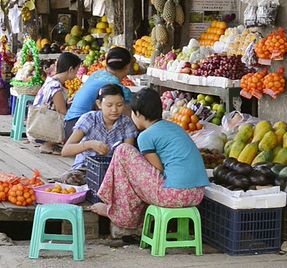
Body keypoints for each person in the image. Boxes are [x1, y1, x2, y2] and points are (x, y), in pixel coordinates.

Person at [90, 88, 210, 230]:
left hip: (173, 195)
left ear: (138, 114)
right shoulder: (175, 127)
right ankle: (121, 210)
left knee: (123, 150)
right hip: (196, 195)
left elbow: (157, 169)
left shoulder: (145, 136)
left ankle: (120, 213)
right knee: (131, 165)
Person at [59, 84, 137, 185]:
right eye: (109, 105)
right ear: (99, 104)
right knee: (70, 179)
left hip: (112, 172)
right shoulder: (89, 119)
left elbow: (128, 154)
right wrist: (89, 145)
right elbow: (66, 151)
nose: (114, 110)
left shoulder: (126, 123)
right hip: (85, 169)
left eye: (119, 105)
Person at [64, 47, 133, 138]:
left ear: (107, 64)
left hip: (68, 125)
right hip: (81, 131)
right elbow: (127, 119)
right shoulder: (120, 90)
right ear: (128, 67)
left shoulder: (96, 74)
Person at [32, 52, 81, 154]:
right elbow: (62, 110)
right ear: (71, 69)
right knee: (74, 120)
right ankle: (47, 145)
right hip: (41, 126)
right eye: (76, 70)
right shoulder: (55, 86)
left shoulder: (51, 80)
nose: (76, 74)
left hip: (37, 123)